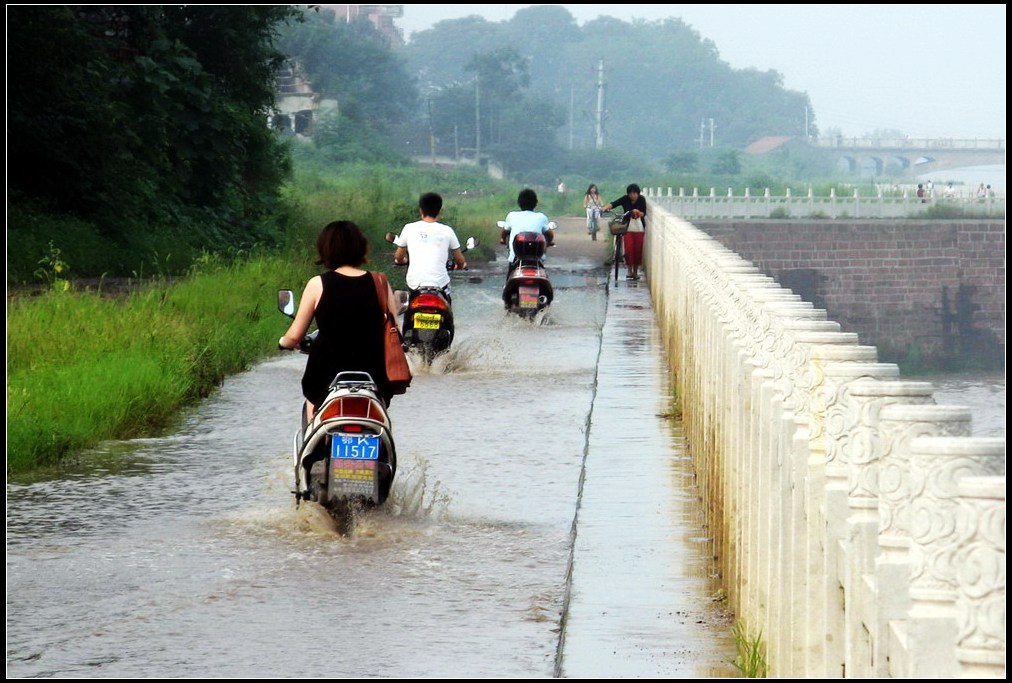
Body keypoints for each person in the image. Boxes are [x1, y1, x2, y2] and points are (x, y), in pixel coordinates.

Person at [279, 220, 400, 417]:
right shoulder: (380, 282)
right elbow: (396, 331)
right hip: (374, 377)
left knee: (313, 408)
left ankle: (313, 438)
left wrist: (283, 342)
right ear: (361, 248)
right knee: (381, 426)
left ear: (325, 249)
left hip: (326, 377)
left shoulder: (317, 284)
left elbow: (294, 336)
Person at [392, 191, 467, 301]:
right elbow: (460, 260)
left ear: (421, 211)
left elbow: (398, 256)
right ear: (440, 211)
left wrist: (402, 260)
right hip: (440, 285)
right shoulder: (447, 231)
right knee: (447, 310)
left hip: (415, 285)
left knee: (409, 308)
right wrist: (460, 265)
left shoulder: (409, 228)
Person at [602, 183, 648, 281]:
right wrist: (606, 207)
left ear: (638, 193)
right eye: (630, 193)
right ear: (628, 194)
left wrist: (637, 212)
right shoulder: (625, 199)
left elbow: (644, 213)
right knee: (629, 249)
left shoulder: (642, 200)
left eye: (634, 193)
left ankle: (635, 272)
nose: (632, 195)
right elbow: (614, 203)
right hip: (627, 228)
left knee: (637, 250)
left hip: (639, 228)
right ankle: (629, 271)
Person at [500, 187, 554, 269]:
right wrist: (547, 244)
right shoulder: (541, 217)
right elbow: (550, 234)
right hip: (537, 260)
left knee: (510, 278)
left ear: (519, 203)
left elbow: (504, 232)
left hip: (516, 259)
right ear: (535, 203)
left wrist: (503, 240)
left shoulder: (511, 216)